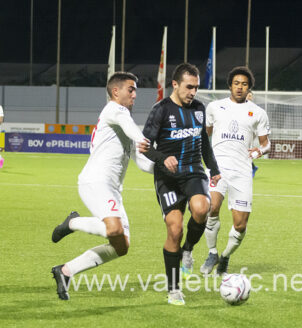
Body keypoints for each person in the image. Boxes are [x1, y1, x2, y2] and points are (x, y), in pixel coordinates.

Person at [51, 72, 157, 300]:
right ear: (115, 91)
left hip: (112, 190)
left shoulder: (123, 122)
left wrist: (168, 170)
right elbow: (140, 139)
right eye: (131, 89)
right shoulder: (114, 110)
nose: (135, 94)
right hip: (96, 182)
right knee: (115, 230)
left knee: (121, 246)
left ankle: (66, 270)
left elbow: (142, 163)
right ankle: (73, 222)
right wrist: (157, 151)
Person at [142, 63, 221, 305]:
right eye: (189, 87)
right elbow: (145, 147)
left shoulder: (199, 108)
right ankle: (174, 288)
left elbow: (204, 142)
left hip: (193, 171)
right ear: (175, 84)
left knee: (201, 209)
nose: (193, 92)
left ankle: (188, 249)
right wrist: (163, 158)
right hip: (167, 178)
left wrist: (214, 168)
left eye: (196, 88)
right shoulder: (161, 110)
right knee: (174, 229)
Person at [200, 66, 271, 276]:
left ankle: (225, 257)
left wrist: (259, 151)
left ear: (249, 88)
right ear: (230, 85)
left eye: (244, 84)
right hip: (217, 167)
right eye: (236, 83)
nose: (240, 87)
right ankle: (212, 252)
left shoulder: (258, 113)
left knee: (240, 225)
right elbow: (204, 136)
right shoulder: (214, 107)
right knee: (210, 207)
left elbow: (266, 144)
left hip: (242, 172)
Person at [246, 92, 258, 178]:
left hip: (251, 132)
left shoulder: (253, 109)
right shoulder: (241, 107)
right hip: (243, 132)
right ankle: (253, 167)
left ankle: (252, 168)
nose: (250, 97)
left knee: (246, 151)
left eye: (250, 96)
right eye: (248, 95)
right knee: (244, 152)